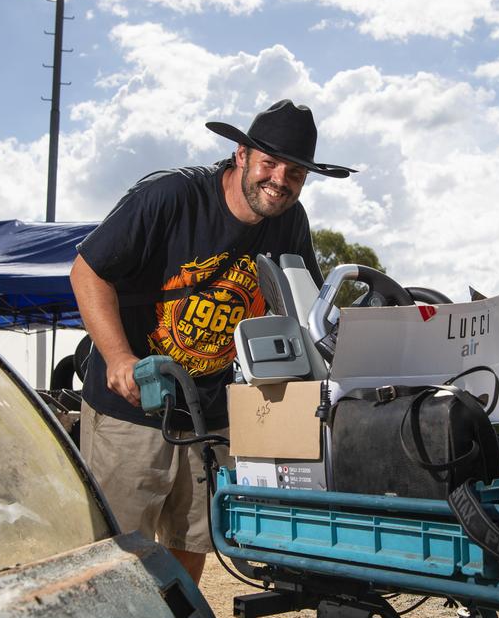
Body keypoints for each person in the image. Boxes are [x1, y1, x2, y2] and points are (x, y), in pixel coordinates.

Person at [70, 99, 355, 584]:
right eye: (270, 164)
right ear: (241, 154)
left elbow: (306, 311)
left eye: (296, 174)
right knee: (115, 554)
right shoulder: (170, 197)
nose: (280, 180)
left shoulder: (290, 222)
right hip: (132, 407)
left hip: (211, 414)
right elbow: (88, 272)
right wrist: (119, 358)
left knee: (192, 540)